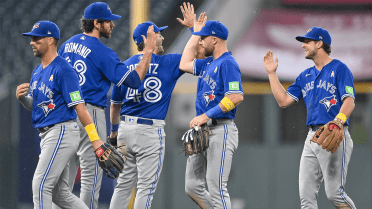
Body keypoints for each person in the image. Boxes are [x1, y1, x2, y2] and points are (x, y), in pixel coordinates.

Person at [55, 2, 156, 209]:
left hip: (65, 112)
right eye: (108, 21)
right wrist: (147, 51)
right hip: (90, 113)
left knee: (63, 181)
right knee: (90, 179)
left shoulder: (67, 45)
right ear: (96, 23)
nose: (112, 25)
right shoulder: (103, 52)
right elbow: (134, 81)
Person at [108, 3, 204, 208]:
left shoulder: (124, 66)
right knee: (146, 187)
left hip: (125, 128)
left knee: (123, 185)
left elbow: (115, 106)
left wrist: (114, 135)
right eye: (157, 34)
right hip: (149, 133)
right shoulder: (169, 62)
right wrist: (193, 30)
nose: (161, 37)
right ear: (147, 39)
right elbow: (198, 55)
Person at [263, 27, 356, 208]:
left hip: (334, 133)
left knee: (335, 194)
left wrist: (338, 121)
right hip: (312, 138)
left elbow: (350, 102)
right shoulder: (305, 76)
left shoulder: (339, 69)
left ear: (319, 43)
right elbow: (283, 101)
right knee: (306, 200)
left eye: (307, 41)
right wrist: (271, 74)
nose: (304, 45)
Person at [17, 20, 106, 209]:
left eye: (36, 38)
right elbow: (38, 106)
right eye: (31, 38)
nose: (32, 42)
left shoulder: (64, 70)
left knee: (40, 185)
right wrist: (23, 100)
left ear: (50, 40)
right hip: (48, 133)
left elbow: (80, 108)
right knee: (60, 194)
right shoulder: (37, 72)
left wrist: (95, 140)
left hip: (61, 132)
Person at [178, 13, 244, 209]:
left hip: (221, 129)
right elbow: (184, 63)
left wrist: (206, 115)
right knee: (192, 186)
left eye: (203, 38)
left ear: (214, 40)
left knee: (216, 187)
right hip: (203, 130)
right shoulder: (207, 63)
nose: (200, 41)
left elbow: (236, 96)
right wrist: (196, 31)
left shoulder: (228, 63)